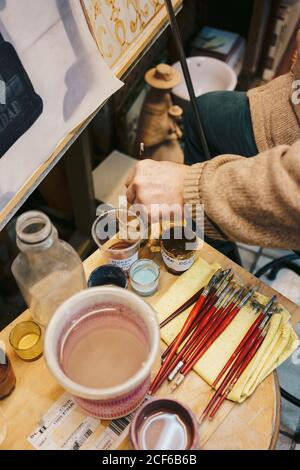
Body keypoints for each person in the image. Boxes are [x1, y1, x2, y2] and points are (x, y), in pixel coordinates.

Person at [126, 32, 300, 251]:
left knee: (198, 211)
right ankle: (219, 245)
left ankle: (215, 253)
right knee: (203, 112)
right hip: (291, 99)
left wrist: (189, 190)